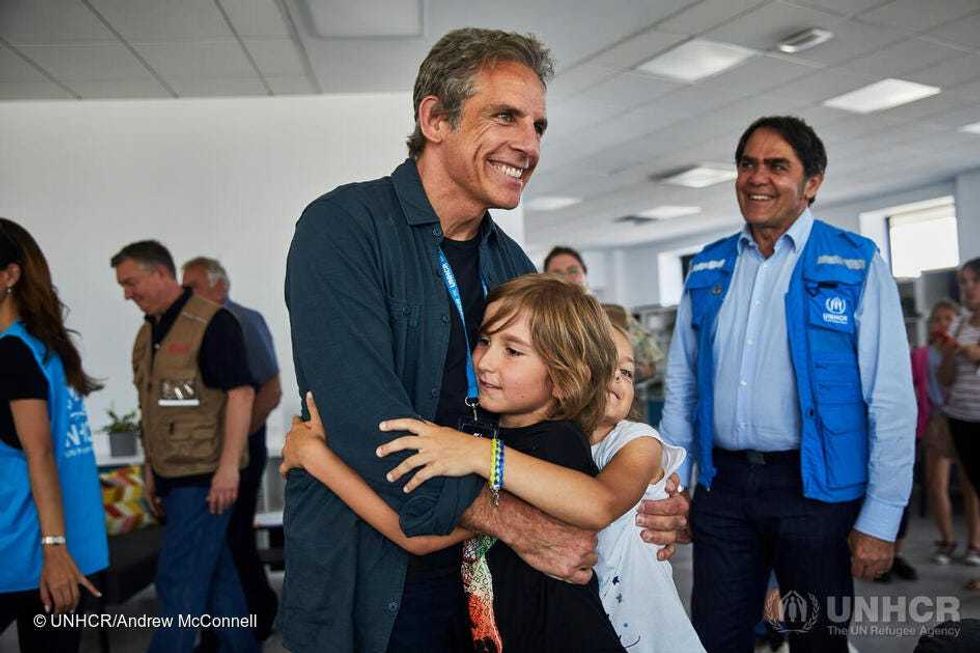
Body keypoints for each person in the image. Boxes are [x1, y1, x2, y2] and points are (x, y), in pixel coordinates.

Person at [282, 27, 689, 653]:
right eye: (505, 117)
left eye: (538, 125)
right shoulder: (344, 230)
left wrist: (643, 497)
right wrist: (520, 522)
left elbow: (573, 418)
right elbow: (376, 434)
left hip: (492, 586)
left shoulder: (514, 268)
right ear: (435, 119)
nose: (529, 144)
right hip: (375, 582)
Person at [283, 275, 702, 652]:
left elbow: (597, 504)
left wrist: (479, 455)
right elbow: (418, 534)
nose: (484, 361)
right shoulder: (488, 437)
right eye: (484, 341)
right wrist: (318, 457)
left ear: (563, 377)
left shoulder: (554, 444)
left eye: (513, 351)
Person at [659, 115, 916, 651]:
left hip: (814, 491)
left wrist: (882, 516)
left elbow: (890, 400)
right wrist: (672, 486)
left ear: (812, 182)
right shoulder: (708, 268)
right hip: (724, 488)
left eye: (777, 166)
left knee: (817, 639)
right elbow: (682, 390)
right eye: (747, 164)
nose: (758, 178)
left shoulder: (855, 263)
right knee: (714, 637)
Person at [110, 240, 258, 653]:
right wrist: (150, 470)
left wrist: (228, 469)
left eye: (131, 283)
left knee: (177, 580)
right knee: (217, 581)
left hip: (205, 478)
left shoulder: (213, 323)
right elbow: (152, 409)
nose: (127, 294)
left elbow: (242, 394)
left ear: (160, 273)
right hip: (171, 476)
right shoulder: (149, 332)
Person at [0, 218, 108, 653]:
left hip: (29, 550)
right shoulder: (45, 347)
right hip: (68, 548)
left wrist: (53, 548)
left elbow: (40, 452)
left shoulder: (12, 351)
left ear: (9, 275)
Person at [182, 256, 281, 642]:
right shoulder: (194, 326)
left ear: (219, 286)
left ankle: (257, 615)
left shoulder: (243, 321)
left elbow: (270, 390)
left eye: (192, 286)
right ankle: (233, 625)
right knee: (223, 540)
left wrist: (236, 442)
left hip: (242, 449)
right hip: (215, 451)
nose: (186, 294)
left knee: (235, 536)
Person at [916, 300, 980, 566]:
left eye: (948, 319)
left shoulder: (965, 346)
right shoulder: (923, 354)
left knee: (970, 486)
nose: (942, 324)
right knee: (936, 483)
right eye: (937, 319)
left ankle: (974, 545)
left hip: (965, 418)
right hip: (938, 421)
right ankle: (947, 540)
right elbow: (919, 387)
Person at [543, 245, 665, 382]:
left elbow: (651, 362)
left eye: (573, 271)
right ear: (546, 279)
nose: (567, 278)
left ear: (584, 274)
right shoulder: (540, 322)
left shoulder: (618, 315)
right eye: (558, 274)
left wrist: (618, 375)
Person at [937, 258, 980, 590]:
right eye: (963, 283)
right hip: (962, 420)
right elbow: (945, 378)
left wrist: (969, 351)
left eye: (974, 281)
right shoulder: (960, 323)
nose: (967, 288)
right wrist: (951, 354)